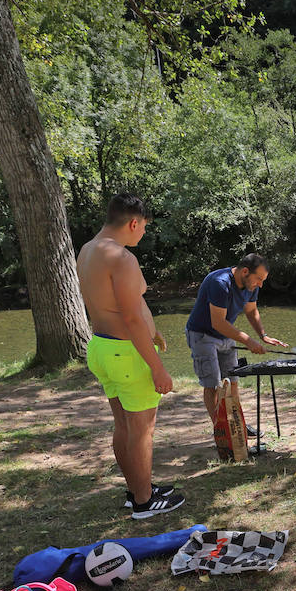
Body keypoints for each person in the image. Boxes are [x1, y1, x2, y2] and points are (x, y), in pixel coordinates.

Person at [76, 194, 185, 518]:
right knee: (142, 430)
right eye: (144, 229)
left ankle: (139, 488)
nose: (143, 235)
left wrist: (154, 332)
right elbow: (131, 317)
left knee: (123, 425)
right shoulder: (121, 258)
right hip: (127, 352)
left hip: (102, 347)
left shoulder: (88, 250)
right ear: (133, 223)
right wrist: (158, 368)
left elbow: (125, 305)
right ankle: (143, 502)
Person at [185, 254, 289, 440]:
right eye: (259, 279)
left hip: (226, 335)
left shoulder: (251, 285)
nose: (260, 284)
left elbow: (251, 310)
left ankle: (237, 424)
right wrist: (249, 341)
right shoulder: (219, 282)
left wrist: (263, 335)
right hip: (202, 335)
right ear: (245, 271)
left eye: (263, 280)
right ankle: (222, 430)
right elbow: (218, 322)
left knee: (232, 381)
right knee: (213, 385)